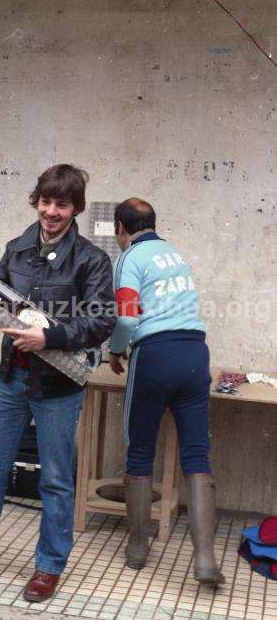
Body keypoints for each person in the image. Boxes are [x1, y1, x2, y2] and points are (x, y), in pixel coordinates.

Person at [0, 164, 116, 602]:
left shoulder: (92, 259)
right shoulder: (15, 249)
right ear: (37, 201)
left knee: (55, 480)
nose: (51, 212)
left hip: (58, 389)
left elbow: (102, 320)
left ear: (76, 209)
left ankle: (49, 567)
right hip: (12, 379)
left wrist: (48, 336)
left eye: (62, 204)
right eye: (46, 202)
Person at [109, 197, 224, 586]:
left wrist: (113, 349)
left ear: (121, 229)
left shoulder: (130, 257)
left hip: (154, 355)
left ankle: (139, 546)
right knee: (196, 453)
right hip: (195, 354)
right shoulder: (175, 254)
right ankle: (205, 559)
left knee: (139, 450)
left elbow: (127, 316)